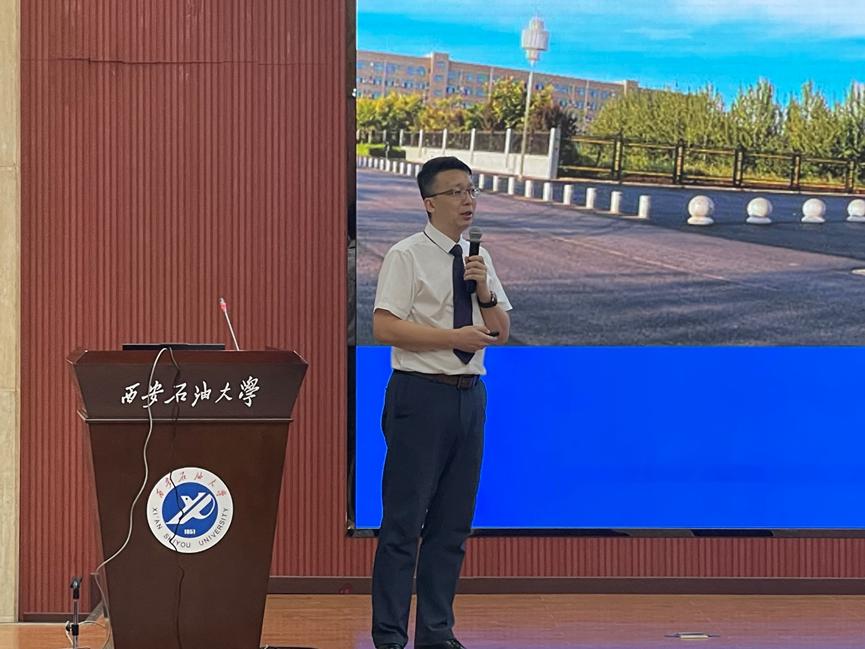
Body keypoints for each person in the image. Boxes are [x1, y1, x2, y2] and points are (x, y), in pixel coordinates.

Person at [371, 156, 512, 649]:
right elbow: (384, 326)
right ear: (430, 203)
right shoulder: (405, 255)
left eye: (471, 190)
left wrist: (484, 290)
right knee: (403, 524)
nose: (468, 200)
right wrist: (452, 337)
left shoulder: (479, 258)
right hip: (420, 395)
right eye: (456, 192)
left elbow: (500, 332)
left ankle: (436, 633)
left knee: (452, 526)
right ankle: (390, 637)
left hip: (469, 399)